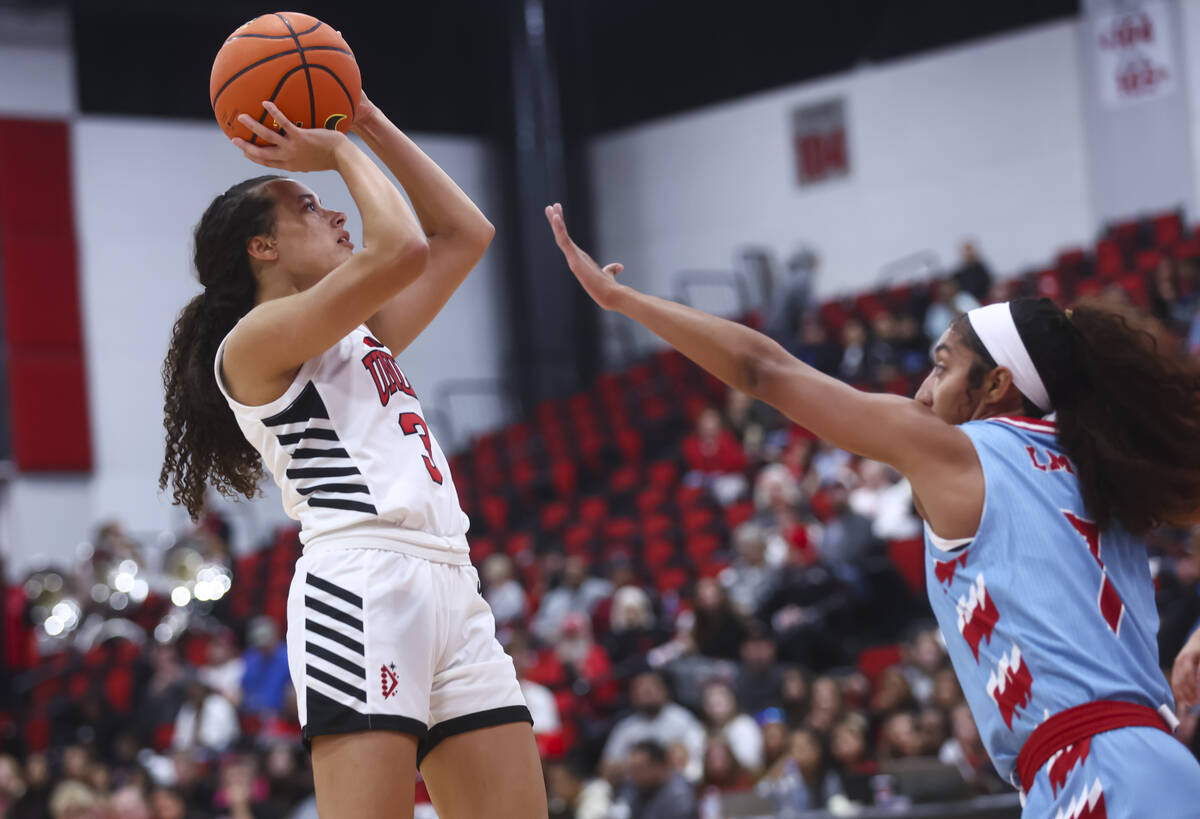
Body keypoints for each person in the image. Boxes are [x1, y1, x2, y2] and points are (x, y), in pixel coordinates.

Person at [546, 202, 1200, 817]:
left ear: (996, 384)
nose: (920, 391)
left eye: (941, 368)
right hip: (1160, 762)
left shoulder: (960, 451)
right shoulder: (1103, 466)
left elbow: (763, 370)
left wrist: (622, 300)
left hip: (1095, 773)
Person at [158, 96, 543, 819]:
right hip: (360, 583)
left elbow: (464, 231)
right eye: (308, 206)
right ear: (261, 248)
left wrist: (363, 118)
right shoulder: (250, 342)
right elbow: (401, 248)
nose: (337, 214)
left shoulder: (357, 331)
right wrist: (333, 150)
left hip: (452, 578)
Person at [611, 740, 697, 819]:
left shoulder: (679, 796)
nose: (633, 776)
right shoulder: (634, 789)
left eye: (639, 769)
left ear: (658, 767)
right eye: (632, 770)